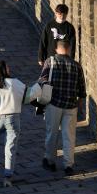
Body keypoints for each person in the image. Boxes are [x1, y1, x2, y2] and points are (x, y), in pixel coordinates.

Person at [39, 38, 86, 175]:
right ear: (69, 49)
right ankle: (68, 165)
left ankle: (50, 161)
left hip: (53, 104)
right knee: (69, 136)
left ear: (56, 49)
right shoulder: (77, 65)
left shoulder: (50, 61)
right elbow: (82, 90)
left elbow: (42, 80)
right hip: (71, 105)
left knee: (52, 133)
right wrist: (79, 105)